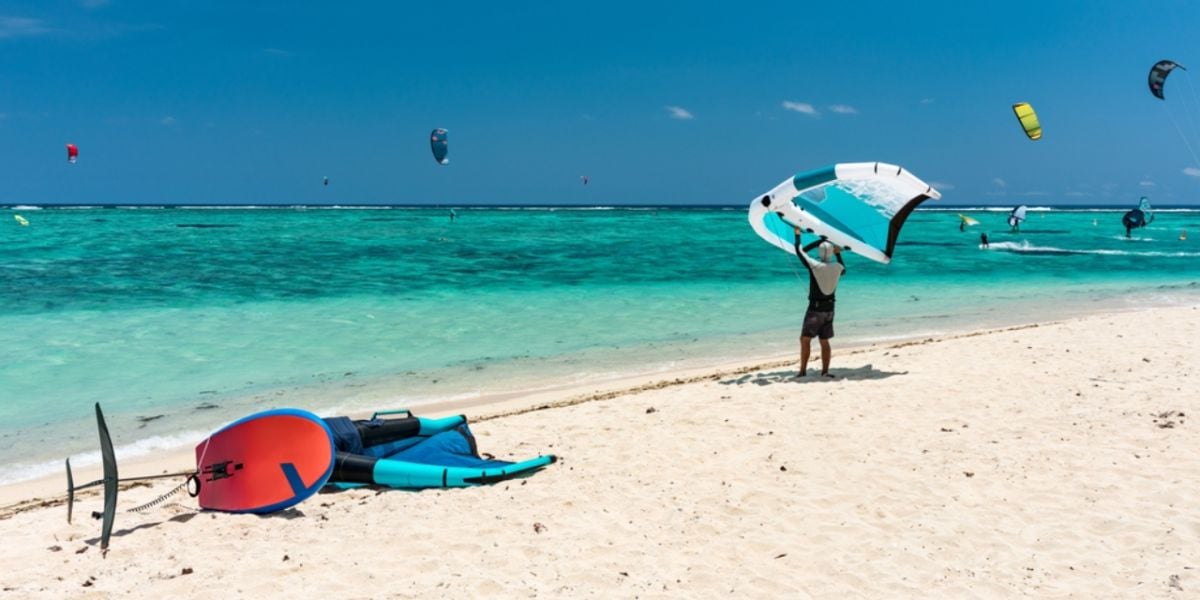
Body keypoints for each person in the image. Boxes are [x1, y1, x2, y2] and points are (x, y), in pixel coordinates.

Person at [793, 227, 845, 378]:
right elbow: (844, 270)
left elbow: (799, 251)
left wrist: (797, 234)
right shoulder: (838, 267)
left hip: (815, 310)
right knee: (824, 340)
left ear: (820, 253)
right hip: (830, 309)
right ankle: (825, 371)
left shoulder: (815, 265)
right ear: (831, 253)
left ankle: (802, 371)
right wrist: (838, 253)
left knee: (805, 339)